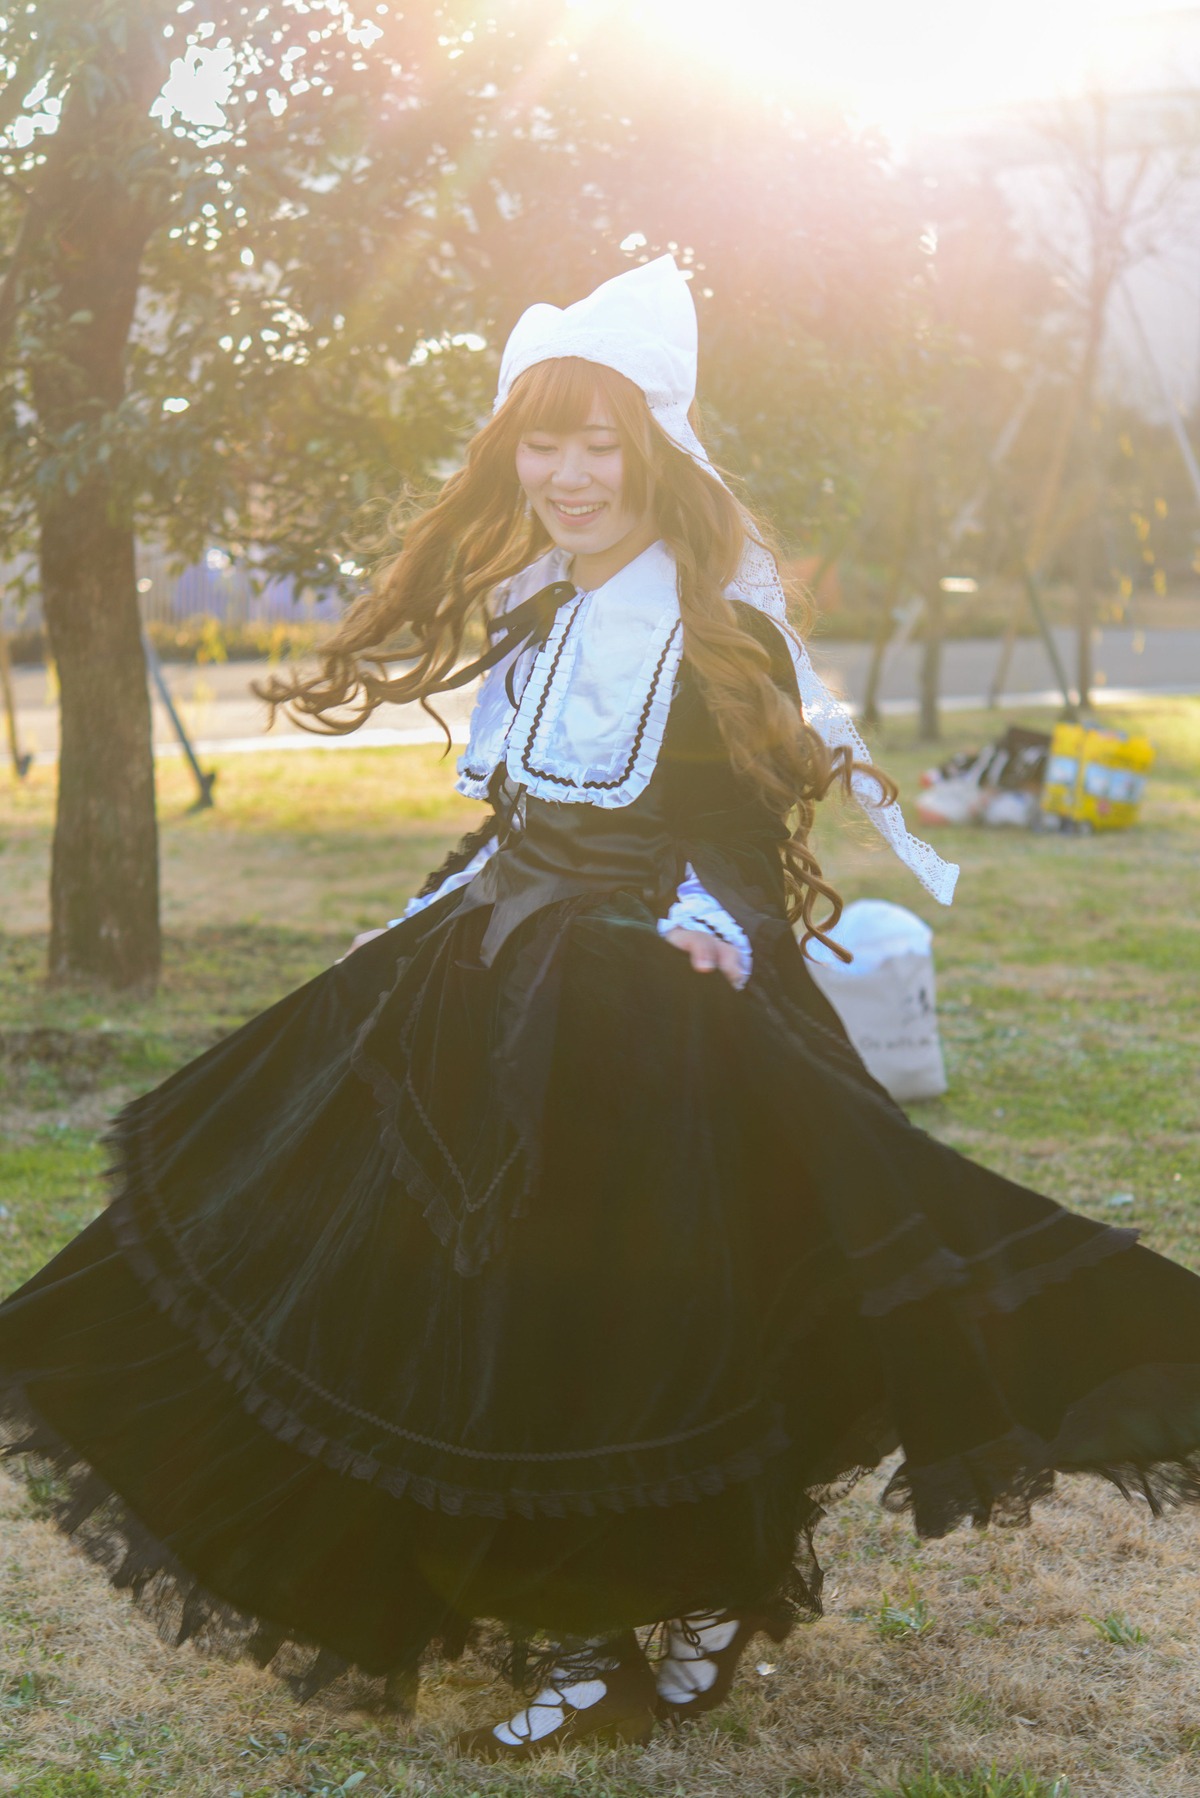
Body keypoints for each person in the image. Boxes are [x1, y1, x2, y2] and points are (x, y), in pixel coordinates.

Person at [2, 256, 1200, 1763]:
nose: (567, 477)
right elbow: (523, 819)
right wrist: (429, 923)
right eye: (541, 443)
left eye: (599, 445)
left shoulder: (716, 631)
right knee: (444, 1293)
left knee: (614, 1334)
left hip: (634, 1025)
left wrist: (704, 923)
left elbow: (736, 850)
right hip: (497, 989)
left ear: (657, 455)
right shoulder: (541, 615)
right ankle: (631, 1618)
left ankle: (656, 1615)